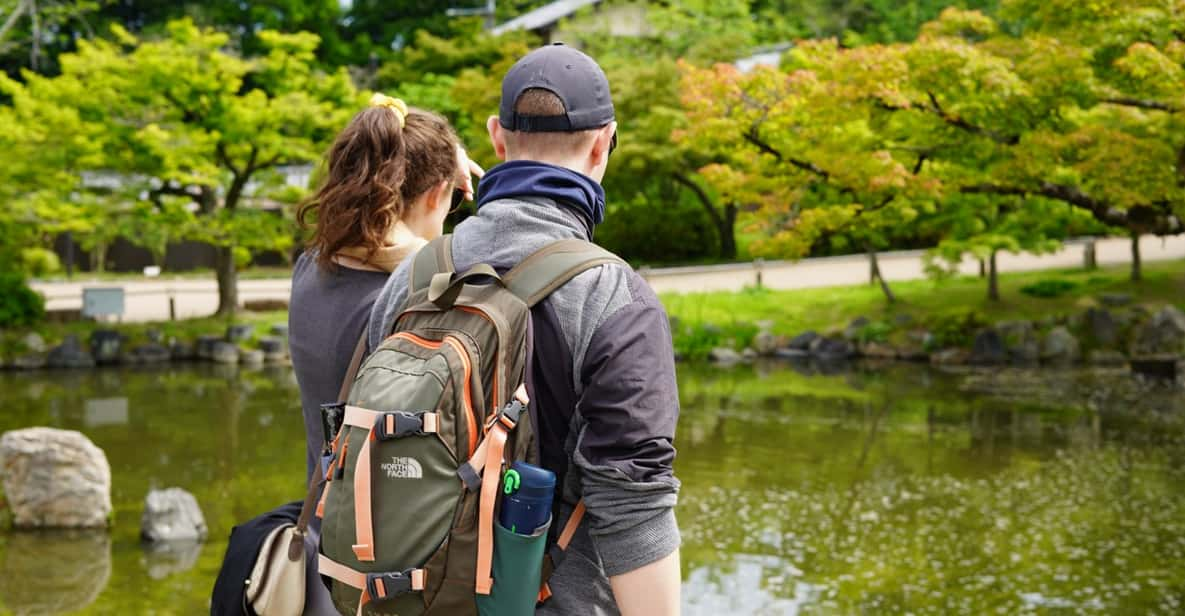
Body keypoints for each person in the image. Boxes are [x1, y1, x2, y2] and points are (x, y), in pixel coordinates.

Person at [368, 44, 682, 616]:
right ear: (603, 142)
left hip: (410, 598)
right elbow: (635, 509)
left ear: (497, 137)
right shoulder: (616, 300)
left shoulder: (411, 277)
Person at [288, 94, 480, 614]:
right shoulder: (414, 300)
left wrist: (444, 161)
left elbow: (385, 138)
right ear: (440, 191)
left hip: (324, 541)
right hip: (385, 570)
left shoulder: (311, 267)